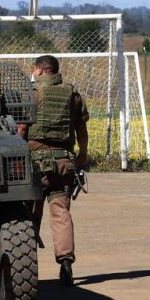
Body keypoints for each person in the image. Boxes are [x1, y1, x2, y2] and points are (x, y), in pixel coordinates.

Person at [21, 54, 89, 286]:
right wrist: (82, 154)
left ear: (40, 70)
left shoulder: (31, 94)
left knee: (29, 214)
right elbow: (81, 130)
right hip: (63, 163)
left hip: (35, 165)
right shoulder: (72, 95)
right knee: (61, 212)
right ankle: (66, 262)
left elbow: (21, 130)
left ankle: (25, 264)